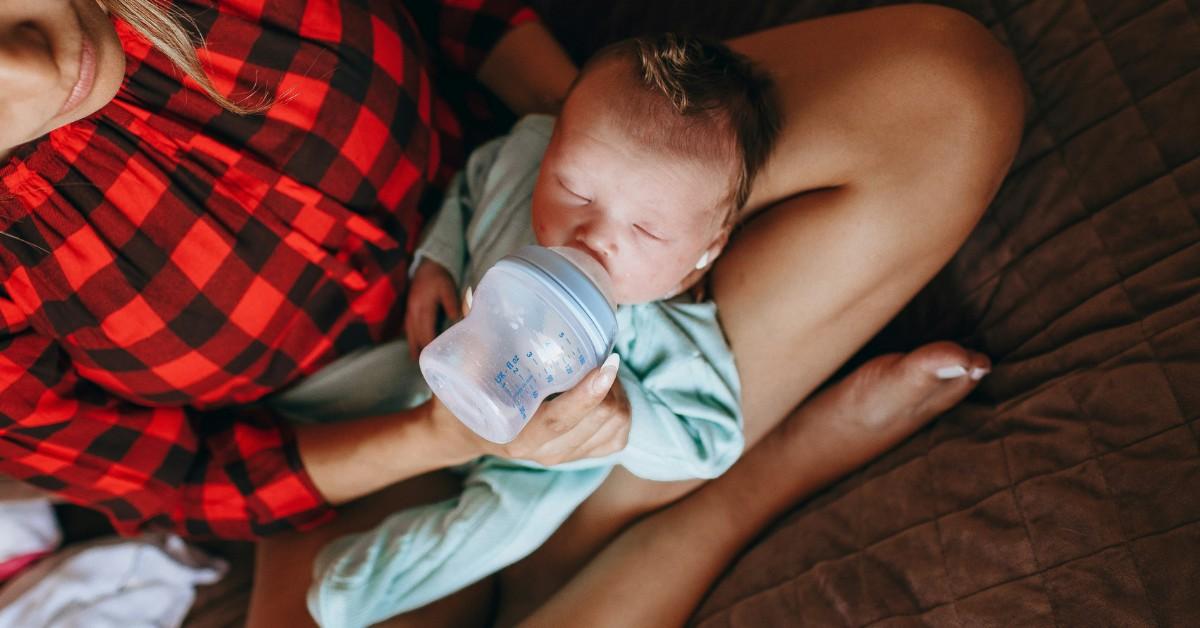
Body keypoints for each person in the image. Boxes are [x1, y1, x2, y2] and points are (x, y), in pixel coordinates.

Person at [0, 1, 1023, 626]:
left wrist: (601, 184)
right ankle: (725, 493)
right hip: (346, 439)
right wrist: (433, 435)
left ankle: (596, 510)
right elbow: (187, 476)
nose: (35, 64)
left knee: (945, 93)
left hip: (525, 194)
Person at [289, 35, 777, 625]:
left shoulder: (663, 327)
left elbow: (714, 440)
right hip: (446, 367)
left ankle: (362, 582)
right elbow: (474, 179)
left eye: (647, 232)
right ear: (550, 147)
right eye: (574, 189)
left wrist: (624, 421)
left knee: (506, 525)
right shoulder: (521, 162)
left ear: (704, 253)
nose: (593, 234)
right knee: (351, 386)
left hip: (539, 461)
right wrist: (438, 258)